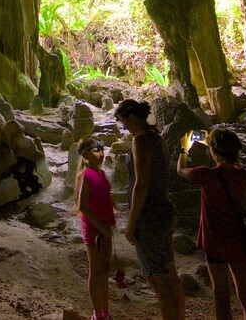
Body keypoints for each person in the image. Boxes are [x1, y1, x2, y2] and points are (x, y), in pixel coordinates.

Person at [176, 128, 246, 320]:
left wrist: (184, 149)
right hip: (239, 241)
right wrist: (214, 143)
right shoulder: (241, 175)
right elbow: (229, 160)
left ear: (214, 152)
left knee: (221, 294)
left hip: (215, 242)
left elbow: (181, 170)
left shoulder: (206, 175)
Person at [116, 99, 185, 320]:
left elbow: (141, 183)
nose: (124, 127)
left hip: (150, 216)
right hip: (164, 210)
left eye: (123, 122)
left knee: (159, 281)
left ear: (133, 118)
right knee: (170, 274)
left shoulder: (141, 141)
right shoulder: (157, 138)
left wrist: (132, 222)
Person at [75, 137, 118, 320]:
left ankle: (105, 311)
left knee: (105, 269)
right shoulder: (86, 175)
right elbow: (82, 206)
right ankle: (96, 312)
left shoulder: (101, 174)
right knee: (96, 269)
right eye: (95, 151)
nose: (101, 155)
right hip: (94, 228)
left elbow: (105, 195)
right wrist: (100, 226)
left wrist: (113, 212)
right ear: (85, 154)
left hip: (105, 226)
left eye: (101, 150)